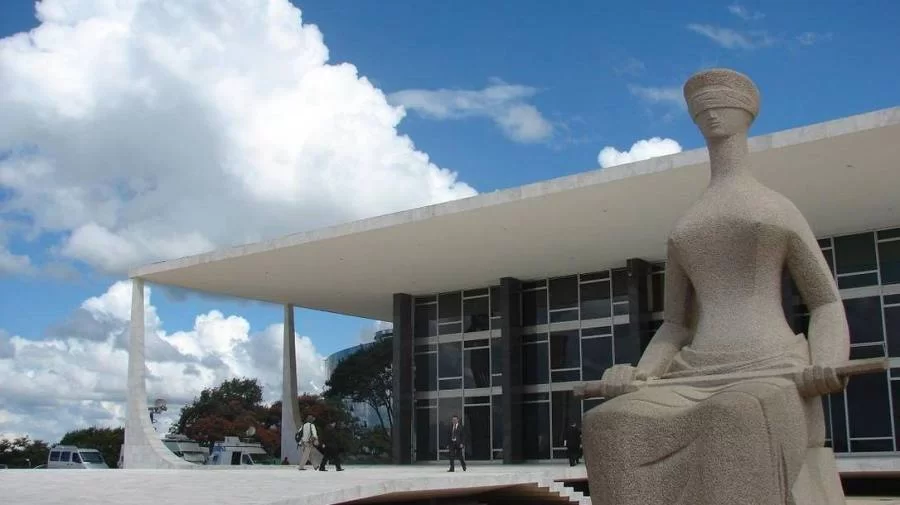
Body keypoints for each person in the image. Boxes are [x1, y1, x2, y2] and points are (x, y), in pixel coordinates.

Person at [582, 68, 851, 505]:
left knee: (732, 415)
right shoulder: (686, 224)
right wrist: (642, 373)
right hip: (693, 371)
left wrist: (826, 361)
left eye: (720, 105)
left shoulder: (776, 209)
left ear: (747, 114)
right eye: (701, 110)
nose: (711, 116)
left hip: (772, 367)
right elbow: (674, 323)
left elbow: (825, 301)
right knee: (608, 425)